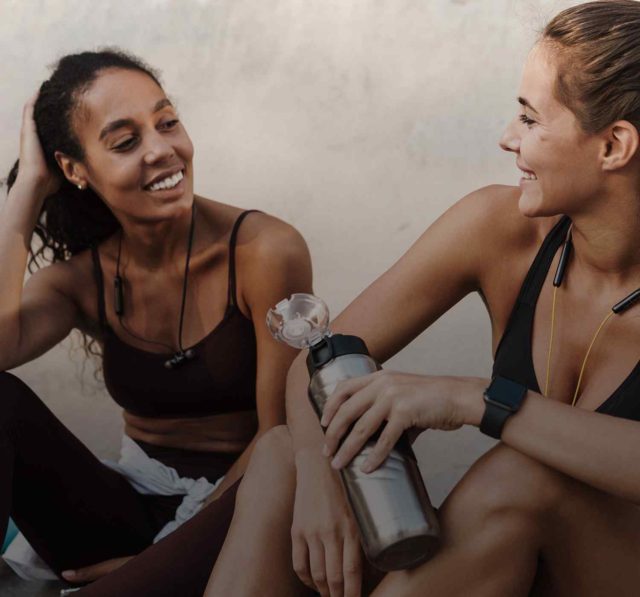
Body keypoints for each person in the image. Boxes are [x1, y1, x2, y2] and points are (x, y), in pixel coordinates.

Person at [203, 1, 640, 595]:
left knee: (526, 475)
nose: (507, 139)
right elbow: (320, 364)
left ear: (614, 146)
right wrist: (317, 475)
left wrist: (478, 400)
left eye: (531, 120)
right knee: (286, 452)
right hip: (508, 568)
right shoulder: (502, 227)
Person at [0, 49, 311, 595]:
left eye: (167, 123)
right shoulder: (83, 279)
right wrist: (27, 188)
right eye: (125, 142)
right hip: (131, 506)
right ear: (74, 170)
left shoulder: (263, 251)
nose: (163, 150)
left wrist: (169, 552)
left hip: (244, 506)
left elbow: (278, 435)